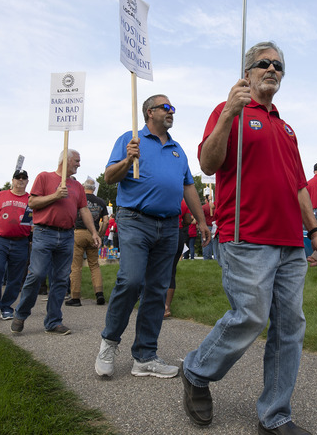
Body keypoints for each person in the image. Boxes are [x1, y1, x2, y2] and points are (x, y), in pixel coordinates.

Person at [182, 41, 317, 435]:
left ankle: (275, 414)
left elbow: (299, 186)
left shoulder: (287, 127)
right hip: (245, 235)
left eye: (278, 66)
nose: (272, 69)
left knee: (289, 326)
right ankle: (196, 370)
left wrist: (314, 231)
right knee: (249, 316)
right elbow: (208, 163)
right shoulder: (228, 109)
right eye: (263, 64)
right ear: (247, 72)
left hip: (289, 242)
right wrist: (230, 111)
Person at [95, 94, 210, 379]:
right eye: (166, 107)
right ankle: (109, 342)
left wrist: (202, 220)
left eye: (173, 108)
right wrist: (127, 160)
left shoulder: (177, 149)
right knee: (131, 280)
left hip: (169, 226)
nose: (172, 112)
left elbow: (189, 188)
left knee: (157, 289)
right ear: (150, 112)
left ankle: (145, 356)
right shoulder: (130, 139)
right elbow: (109, 177)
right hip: (135, 220)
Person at [11, 150, 100, 335]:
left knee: (60, 279)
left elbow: (83, 210)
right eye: (76, 161)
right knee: (36, 274)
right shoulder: (44, 177)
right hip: (44, 233)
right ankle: (21, 313)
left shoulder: (77, 186)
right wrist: (55, 196)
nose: (79, 164)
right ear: (65, 161)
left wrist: (94, 232)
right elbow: (33, 202)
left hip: (68, 235)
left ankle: (53, 321)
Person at [0, 171, 33, 322]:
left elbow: (33, 220)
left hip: (21, 241)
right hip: (0, 240)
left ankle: (6, 306)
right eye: (18, 178)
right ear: (12, 180)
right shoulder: (0, 196)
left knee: (15, 277)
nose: (20, 181)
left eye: (24, 179)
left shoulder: (31, 199)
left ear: (27, 181)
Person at [67, 178, 109, 307]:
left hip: (78, 232)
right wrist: (100, 235)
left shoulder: (78, 198)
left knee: (76, 266)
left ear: (83, 187)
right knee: (94, 265)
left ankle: (75, 297)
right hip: (93, 233)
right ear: (94, 188)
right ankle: (99, 293)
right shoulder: (101, 202)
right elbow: (106, 221)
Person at [165, 199, 192, 318]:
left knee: (155, 268)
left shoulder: (161, 195)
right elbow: (187, 220)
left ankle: (153, 303)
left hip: (163, 232)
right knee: (171, 271)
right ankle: (166, 306)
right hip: (178, 232)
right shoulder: (183, 202)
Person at [201, 195, 215, 260]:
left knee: (206, 243)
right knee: (214, 244)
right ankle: (215, 258)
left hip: (207, 226)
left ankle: (207, 258)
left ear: (206, 200)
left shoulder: (204, 207)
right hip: (214, 227)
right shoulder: (215, 207)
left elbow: (201, 217)